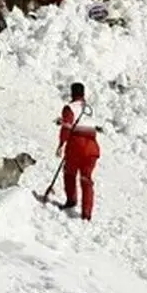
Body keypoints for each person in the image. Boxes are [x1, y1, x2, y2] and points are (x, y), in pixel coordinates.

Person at [56, 82, 100, 221]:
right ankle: (86, 213)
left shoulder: (69, 108)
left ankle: (71, 200)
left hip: (76, 147)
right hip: (92, 148)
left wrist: (61, 144)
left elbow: (66, 128)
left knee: (69, 173)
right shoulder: (90, 108)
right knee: (86, 179)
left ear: (72, 93)